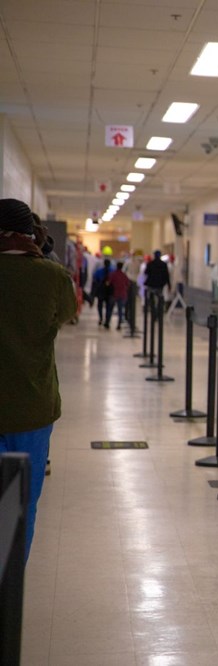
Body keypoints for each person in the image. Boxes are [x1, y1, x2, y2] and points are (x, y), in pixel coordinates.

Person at [0, 198, 76, 558]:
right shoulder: (51, 276)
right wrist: (46, 253)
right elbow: (68, 312)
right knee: (21, 503)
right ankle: (9, 594)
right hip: (31, 408)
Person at [109, 260, 130, 329]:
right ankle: (119, 324)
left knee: (110, 309)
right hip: (122, 294)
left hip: (114, 294)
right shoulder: (124, 275)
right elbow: (127, 284)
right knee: (120, 310)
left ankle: (107, 321)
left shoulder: (113, 274)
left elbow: (109, 283)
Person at [92, 258, 113, 329]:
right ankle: (107, 320)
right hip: (109, 291)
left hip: (101, 290)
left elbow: (94, 278)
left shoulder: (99, 271)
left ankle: (101, 318)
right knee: (108, 307)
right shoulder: (112, 271)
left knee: (100, 305)